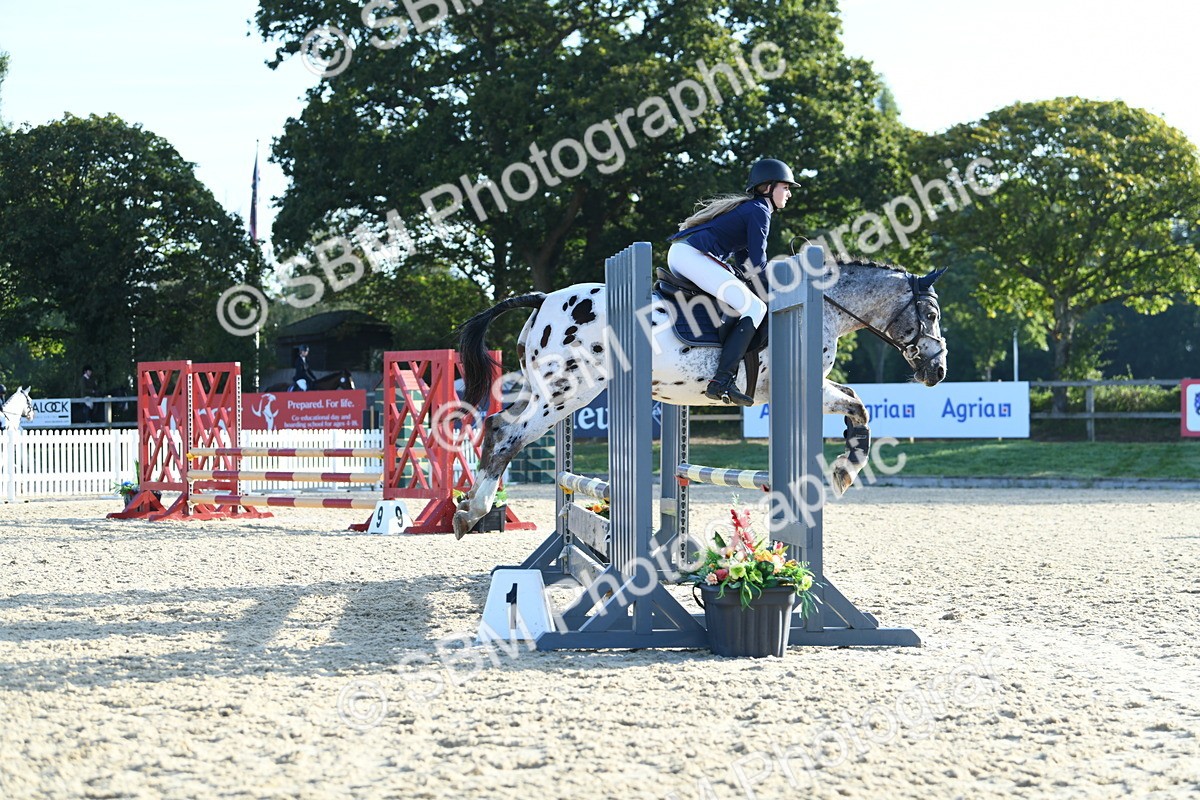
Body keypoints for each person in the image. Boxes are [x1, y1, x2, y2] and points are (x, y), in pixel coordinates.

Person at [666, 158, 799, 406]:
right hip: (693, 256)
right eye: (786, 187)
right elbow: (758, 264)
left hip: (685, 255)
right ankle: (722, 380)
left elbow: (745, 264)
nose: (789, 194)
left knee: (746, 299)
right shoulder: (760, 211)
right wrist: (775, 295)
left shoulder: (752, 209)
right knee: (755, 307)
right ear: (768, 187)